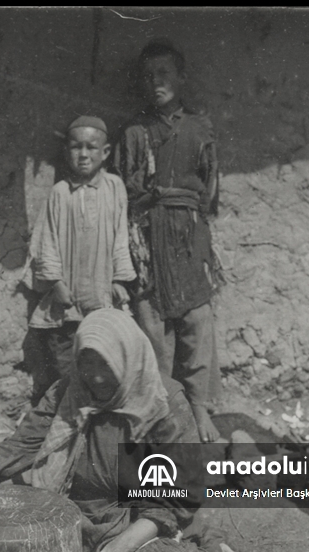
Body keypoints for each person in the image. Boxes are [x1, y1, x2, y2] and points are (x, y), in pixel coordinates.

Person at [0, 310, 274, 552]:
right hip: (71, 511)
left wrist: (123, 546)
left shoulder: (163, 403)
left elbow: (170, 501)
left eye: (105, 364)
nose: (95, 377)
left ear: (127, 357)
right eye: (86, 363)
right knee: (8, 549)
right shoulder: (68, 390)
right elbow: (25, 443)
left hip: (140, 519)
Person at [112, 40, 226, 444]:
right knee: (154, 328)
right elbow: (125, 192)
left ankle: (197, 407)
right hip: (148, 236)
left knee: (197, 323)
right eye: (148, 76)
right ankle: (162, 415)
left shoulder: (200, 127)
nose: (155, 82)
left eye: (163, 74)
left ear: (181, 77)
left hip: (190, 233)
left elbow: (211, 189)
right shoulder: (134, 131)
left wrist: (196, 227)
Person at [25, 115, 136, 404]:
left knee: (102, 359)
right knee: (66, 364)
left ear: (106, 152)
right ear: (66, 152)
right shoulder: (60, 193)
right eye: (76, 147)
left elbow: (120, 235)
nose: (84, 155)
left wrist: (119, 279)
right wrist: (57, 283)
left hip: (101, 295)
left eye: (91, 147)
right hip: (68, 301)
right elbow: (46, 242)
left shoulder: (114, 188)